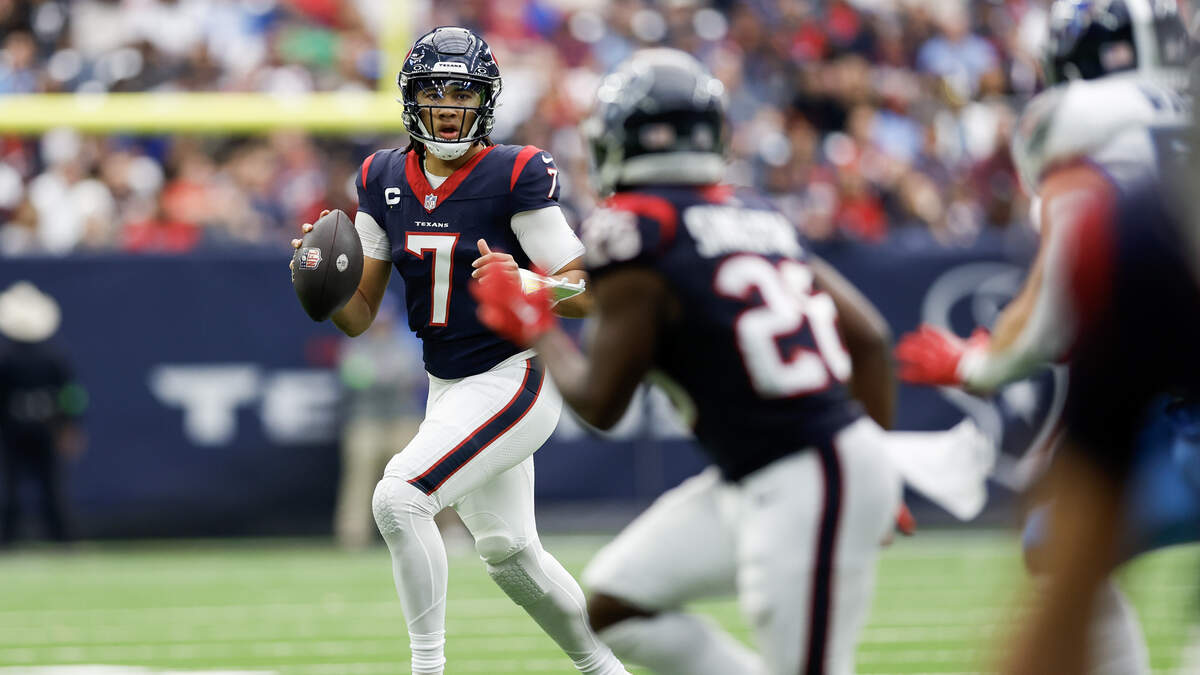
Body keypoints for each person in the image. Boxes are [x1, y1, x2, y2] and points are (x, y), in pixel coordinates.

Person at [472, 47, 903, 675]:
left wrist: (536, 329)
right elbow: (870, 338)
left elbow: (601, 404)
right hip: (772, 470)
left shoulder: (635, 230)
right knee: (616, 605)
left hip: (806, 474)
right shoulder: (753, 213)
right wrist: (882, 464)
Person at [291, 26, 628, 675]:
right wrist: (320, 282)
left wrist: (529, 283)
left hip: (514, 374)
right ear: (411, 99)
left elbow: (594, 293)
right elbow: (359, 316)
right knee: (510, 554)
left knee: (399, 497)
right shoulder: (382, 177)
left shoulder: (513, 173)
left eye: (462, 94)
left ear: (486, 100)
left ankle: (427, 669)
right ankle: (606, 670)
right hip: (446, 384)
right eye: (435, 93)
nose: (448, 107)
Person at [894, 2, 1198, 673]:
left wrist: (975, 366)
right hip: (1176, 398)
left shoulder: (1084, 126)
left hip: (1175, 406)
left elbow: (1056, 311)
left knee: (1054, 541)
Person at [333, 302, 427, 550]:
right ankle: (353, 536)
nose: (380, 326)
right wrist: (384, 377)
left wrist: (380, 376)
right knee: (361, 465)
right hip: (366, 419)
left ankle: (443, 531)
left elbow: (414, 375)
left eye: (384, 321)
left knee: (425, 469)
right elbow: (353, 378)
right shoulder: (355, 344)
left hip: (403, 418)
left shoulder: (406, 342)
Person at [0, 281, 86, 547]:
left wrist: (70, 426)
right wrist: (70, 425)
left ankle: (57, 539)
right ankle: (58, 540)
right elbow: (72, 396)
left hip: (29, 429)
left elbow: (70, 395)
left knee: (42, 487)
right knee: (22, 488)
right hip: (31, 429)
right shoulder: (53, 356)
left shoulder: (43, 357)